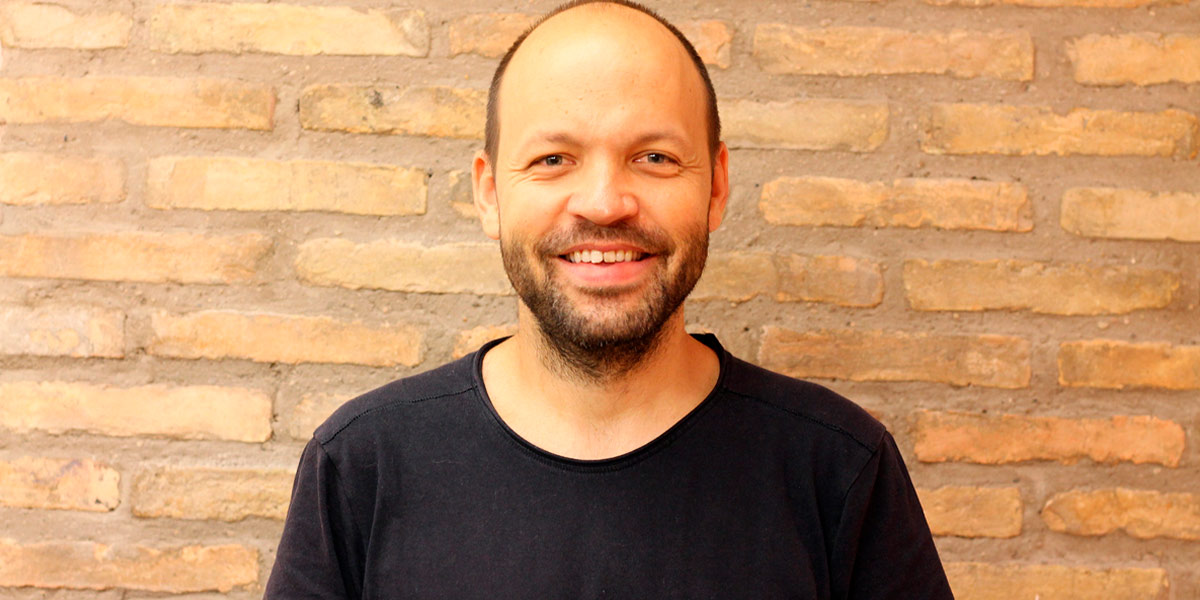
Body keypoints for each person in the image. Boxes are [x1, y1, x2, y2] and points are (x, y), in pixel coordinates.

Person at [265, 1, 954, 598]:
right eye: (553, 159)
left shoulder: (837, 468)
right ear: (489, 192)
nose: (603, 203)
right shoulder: (362, 467)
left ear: (716, 187)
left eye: (654, 157)